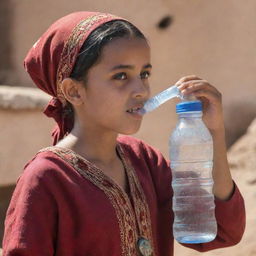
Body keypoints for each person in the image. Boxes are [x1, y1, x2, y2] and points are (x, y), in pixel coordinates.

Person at [2, 11, 245, 256]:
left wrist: (213, 130)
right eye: (121, 76)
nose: (141, 89)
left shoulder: (145, 161)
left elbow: (222, 231)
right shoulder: (47, 178)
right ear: (74, 91)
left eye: (144, 74)